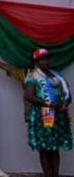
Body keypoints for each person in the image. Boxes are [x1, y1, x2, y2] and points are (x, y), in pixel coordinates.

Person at [23, 48, 72, 177]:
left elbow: (67, 92)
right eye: (42, 60)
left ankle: (55, 174)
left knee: (55, 147)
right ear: (36, 62)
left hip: (59, 114)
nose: (45, 61)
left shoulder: (57, 74)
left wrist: (65, 104)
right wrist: (49, 104)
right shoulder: (33, 76)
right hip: (45, 114)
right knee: (45, 147)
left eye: (47, 59)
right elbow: (29, 96)